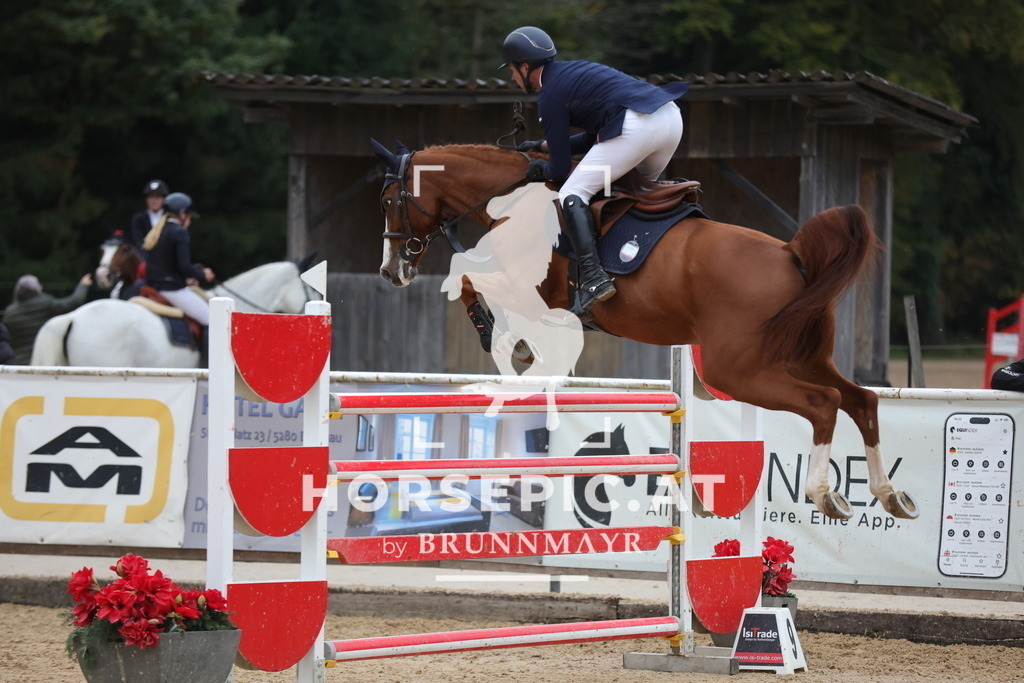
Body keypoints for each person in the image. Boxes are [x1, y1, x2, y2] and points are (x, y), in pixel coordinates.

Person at [502, 26, 689, 315]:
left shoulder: (549, 94)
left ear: (525, 67)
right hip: (669, 119)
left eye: (513, 71)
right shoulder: (577, 72)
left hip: (637, 128)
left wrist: (537, 168)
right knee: (628, 191)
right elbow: (596, 137)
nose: (513, 78)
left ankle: (593, 277)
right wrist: (543, 144)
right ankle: (641, 261)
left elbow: (559, 169)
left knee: (572, 193)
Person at [143, 192, 215, 326]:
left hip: (155, 286)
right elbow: (184, 266)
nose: (190, 221)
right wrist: (202, 273)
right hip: (171, 289)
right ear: (182, 214)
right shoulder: (179, 232)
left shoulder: (159, 230)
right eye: (189, 217)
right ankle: (209, 348)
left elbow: (167, 265)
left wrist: (184, 279)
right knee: (212, 319)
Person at [4, 273, 93, 364]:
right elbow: (73, 302)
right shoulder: (45, 304)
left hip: (19, 362)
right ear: (36, 288)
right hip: (43, 360)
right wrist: (83, 285)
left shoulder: (10, 313)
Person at [130, 179, 169, 259]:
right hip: (145, 260)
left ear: (163, 199)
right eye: (151, 197)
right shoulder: (138, 219)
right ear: (146, 199)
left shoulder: (169, 218)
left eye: (157, 197)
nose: (154, 201)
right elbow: (138, 241)